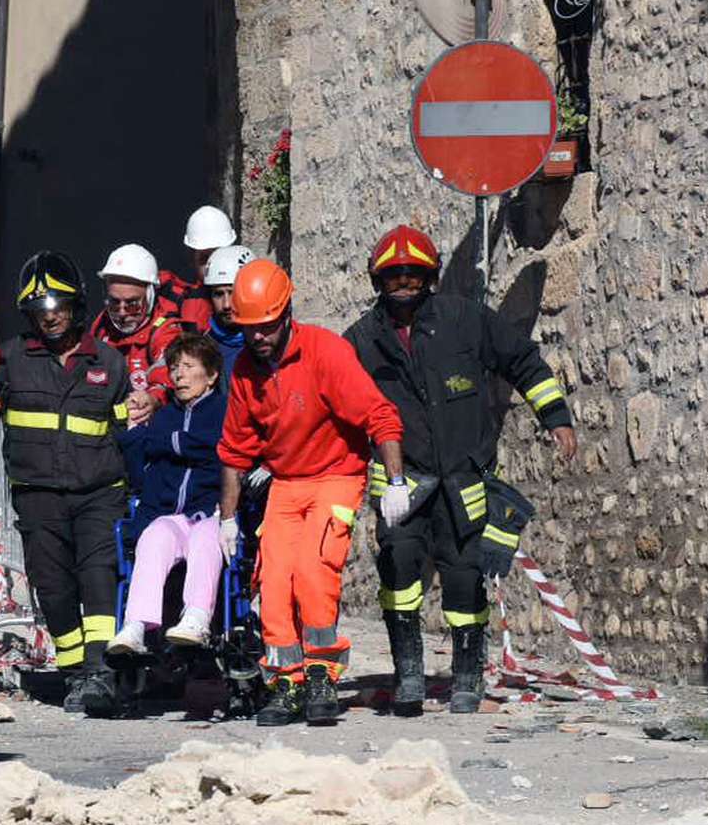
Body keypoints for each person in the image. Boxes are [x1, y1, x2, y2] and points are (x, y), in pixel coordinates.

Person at [343, 224, 577, 716]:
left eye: (413, 274)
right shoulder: (361, 341)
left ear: (429, 277)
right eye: (393, 276)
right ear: (377, 281)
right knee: (399, 572)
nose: (404, 283)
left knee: (466, 576)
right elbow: (335, 406)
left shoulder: (465, 320)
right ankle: (408, 674)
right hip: (400, 488)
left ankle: (467, 676)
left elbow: (524, 363)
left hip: (464, 479)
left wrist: (555, 419)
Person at [217, 260, 405, 726]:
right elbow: (235, 452)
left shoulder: (326, 353)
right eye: (247, 329)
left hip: (336, 475)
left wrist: (396, 481)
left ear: (285, 315)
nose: (256, 337)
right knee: (274, 580)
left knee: (312, 571)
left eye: (264, 327)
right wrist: (226, 519)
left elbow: (379, 416)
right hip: (287, 482)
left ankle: (322, 673)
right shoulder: (244, 371)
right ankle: (288, 683)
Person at [0, 251, 130, 716]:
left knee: (98, 580)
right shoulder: (10, 360)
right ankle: (73, 672)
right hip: (37, 497)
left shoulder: (110, 364)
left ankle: (101, 672)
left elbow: (131, 431)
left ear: (76, 307)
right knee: (52, 586)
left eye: (58, 307)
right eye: (40, 310)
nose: (51, 318)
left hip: (99, 494)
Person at [108, 333, 227, 654]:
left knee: (207, 539)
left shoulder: (224, 411)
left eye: (189, 366)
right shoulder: (165, 415)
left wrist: (168, 444)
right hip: (168, 514)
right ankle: (135, 626)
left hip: (209, 512)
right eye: (174, 367)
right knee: (153, 536)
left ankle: (197, 618)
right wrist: (135, 436)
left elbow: (217, 449)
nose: (179, 375)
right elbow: (140, 469)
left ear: (212, 374)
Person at [89, 243, 183, 427]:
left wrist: (153, 398)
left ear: (150, 295)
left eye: (132, 304)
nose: (122, 312)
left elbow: (168, 376)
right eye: (114, 302)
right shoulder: (101, 326)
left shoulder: (166, 330)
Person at [157, 205, 238, 331]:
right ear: (192, 259)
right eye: (205, 259)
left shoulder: (253, 292)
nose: (213, 267)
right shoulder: (178, 299)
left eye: (218, 256)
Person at [202, 245, 256, 389]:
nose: (226, 304)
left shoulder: (267, 342)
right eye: (219, 294)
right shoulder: (202, 350)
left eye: (233, 293)